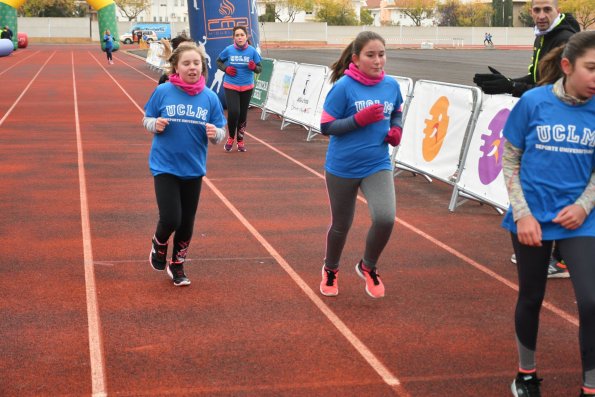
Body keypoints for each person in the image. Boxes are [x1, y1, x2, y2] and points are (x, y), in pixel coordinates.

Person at [501, 30, 595, 397]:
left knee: (591, 300)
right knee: (531, 295)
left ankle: (589, 385)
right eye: (591, 68)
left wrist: (585, 205)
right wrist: (523, 214)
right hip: (531, 216)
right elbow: (510, 159)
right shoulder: (533, 102)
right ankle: (526, 373)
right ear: (567, 66)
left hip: (580, 220)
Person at [318, 31, 404, 299]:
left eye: (381, 54)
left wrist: (396, 129)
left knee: (385, 217)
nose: (377, 60)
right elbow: (326, 126)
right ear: (356, 58)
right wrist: (359, 120)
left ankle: (368, 266)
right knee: (342, 224)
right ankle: (330, 269)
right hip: (342, 167)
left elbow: (397, 111)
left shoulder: (391, 85)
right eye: (370, 55)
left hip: (377, 164)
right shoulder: (343, 87)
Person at [143, 43, 227, 286]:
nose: (192, 68)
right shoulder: (163, 91)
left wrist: (215, 134)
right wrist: (154, 124)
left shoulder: (210, 98)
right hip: (165, 166)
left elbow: (219, 133)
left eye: (196, 63)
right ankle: (159, 244)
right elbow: (147, 118)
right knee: (171, 218)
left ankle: (177, 265)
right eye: (187, 63)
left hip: (193, 169)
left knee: (187, 223)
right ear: (176, 67)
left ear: (203, 67)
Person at [473, 0, 579, 98]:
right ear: (531, 12)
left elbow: (558, 91)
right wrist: (506, 81)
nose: (541, 16)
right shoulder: (541, 36)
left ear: (557, 11)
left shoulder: (566, 40)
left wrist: (512, 86)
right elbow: (535, 78)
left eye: (547, 9)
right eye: (537, 10)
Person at [216, 25, 262, 152]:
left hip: (247, 86)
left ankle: (240, 140)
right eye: (237, 35)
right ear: (233, 38)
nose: (240, 37)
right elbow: (218, 61)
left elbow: (260, 68)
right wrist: (226, 69)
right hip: (231, 85)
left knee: (242, 115)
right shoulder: (229, 50)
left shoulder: (252, 51)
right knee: (234, 112)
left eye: (242, 35)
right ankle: (231, 137)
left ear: (246, 36)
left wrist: (254, 68)